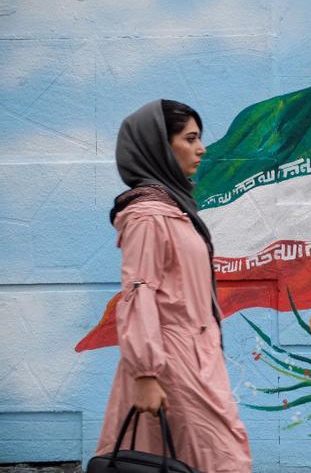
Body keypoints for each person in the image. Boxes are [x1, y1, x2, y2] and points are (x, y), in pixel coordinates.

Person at [95, 100, 252, 472]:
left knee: (192, 458)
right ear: (160, 147)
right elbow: (139, 290)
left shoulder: (174, 208)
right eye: (190, 138)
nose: (202, 148)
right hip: (171, 358)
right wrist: (147, 373)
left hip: (196, 354)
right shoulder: (148, 215)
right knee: (222, 459)